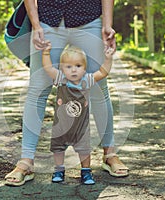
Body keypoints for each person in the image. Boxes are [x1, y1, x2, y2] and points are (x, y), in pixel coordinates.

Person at [5, 0, 129, 186]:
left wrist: (107, 24)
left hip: (88, 17)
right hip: (47, 19)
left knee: (99, 89)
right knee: (37, 90)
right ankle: (26, 160)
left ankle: (109, 154)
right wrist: (36, 24)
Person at [42, 43, 113, 185]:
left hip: (81, 127)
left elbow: (103, 72)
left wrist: (108, 58)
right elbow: (48, 68)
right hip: (61, 126)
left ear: (85, 68)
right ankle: (59, 170)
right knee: (58, 148)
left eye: (78, 66)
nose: (74, 70)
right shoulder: (61, 79)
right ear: (62, 68)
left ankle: (86, 171)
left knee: (84, 150)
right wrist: (45, 53)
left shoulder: (86, 80)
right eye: (69, 67)